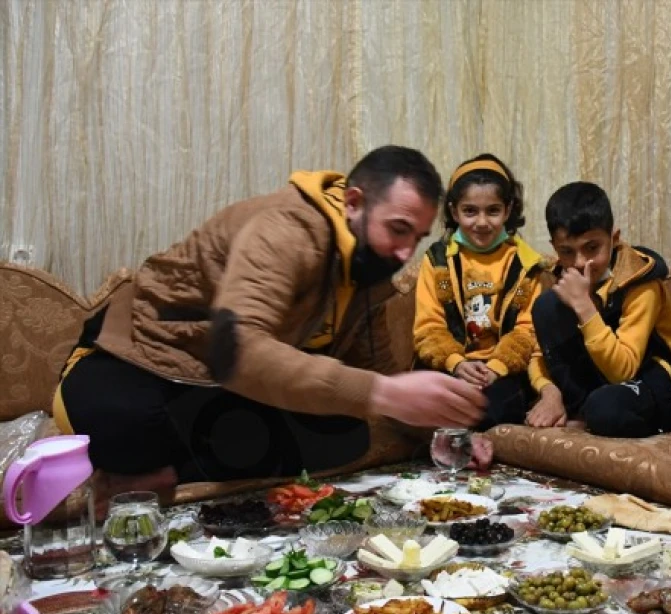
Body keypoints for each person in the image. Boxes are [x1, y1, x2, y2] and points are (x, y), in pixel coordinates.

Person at [53, 146, 488, 502]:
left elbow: (380, 373)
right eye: (398, 230)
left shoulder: (368, 267)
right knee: (131, 421)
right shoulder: (286, 230)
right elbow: (238, 350)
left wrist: (446, 432)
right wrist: (385, 393)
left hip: (209, 384)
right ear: (354, 202)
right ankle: (129, 472)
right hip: (130, 362)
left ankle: (162, 471)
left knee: (345, 431)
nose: (404, 252)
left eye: (416, 238)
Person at [523, 182, 671, 438]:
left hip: (656, 376)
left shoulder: (639, 283)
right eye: (567, 252)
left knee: (605, 409)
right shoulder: (563, 279)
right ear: (554, 247)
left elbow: (623, 370)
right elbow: (542, 355)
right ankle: (580, 409)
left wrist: (583, 306)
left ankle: (589, 412)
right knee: (546, 306)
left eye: (592, 248)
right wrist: (550, 392)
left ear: (614, 239)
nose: (581, 262)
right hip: (603, 379)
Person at [412, 154, 548, 431]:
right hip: (451, 367)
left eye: (493, 210)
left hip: (500, 372)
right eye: (470, 211)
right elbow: (428, 328)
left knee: (490, 409)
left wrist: (495, 368)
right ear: (453, 211)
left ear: (508, 210)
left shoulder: (525, 263)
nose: (482, 222)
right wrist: (456, 363)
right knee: (417, 400)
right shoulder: (438, 260)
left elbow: (526, 332)